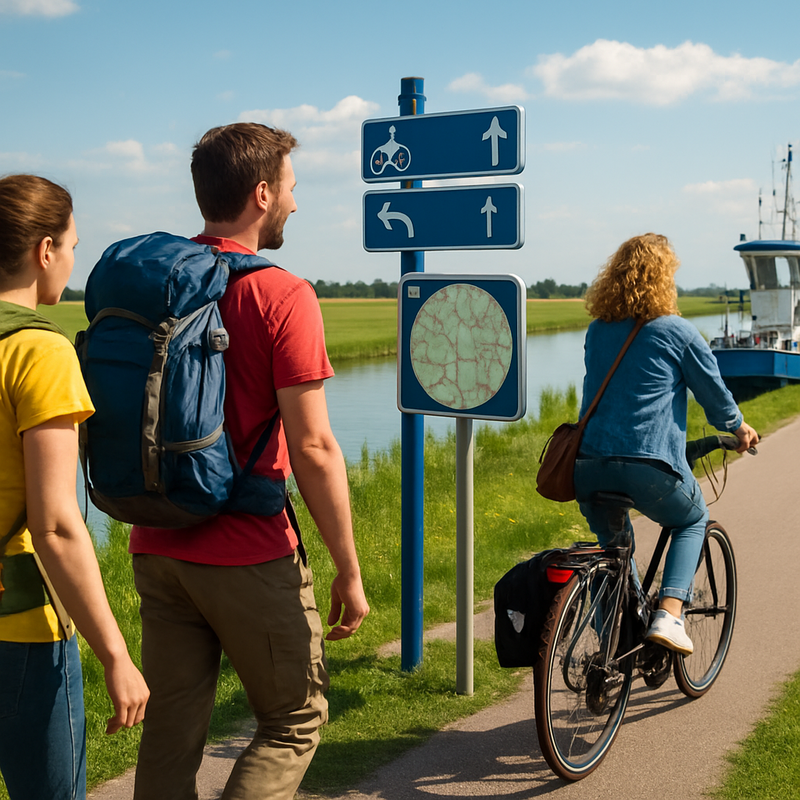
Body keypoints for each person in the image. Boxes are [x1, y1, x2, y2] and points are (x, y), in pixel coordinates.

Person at [129, 123, 370, 800]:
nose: (296, 202)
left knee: (172, 730)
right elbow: (315, 447)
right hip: (245, 548)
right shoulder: (282, 294)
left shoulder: (160, 281)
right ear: (262, 194)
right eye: (292, 188)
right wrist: (347, 570)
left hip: (155, 539)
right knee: (295, 717)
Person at [0, 174, 149, 800]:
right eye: (72, 247)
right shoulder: (39, 350)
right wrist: (116, 653)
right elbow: (57, 524)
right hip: (21, 629)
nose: (70, 262)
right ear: (43, 251)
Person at [573, 233, 758, 654]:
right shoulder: (677, 332)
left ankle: (615, 643)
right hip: (647, 465)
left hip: (587, 464)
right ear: (664, 279)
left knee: (614, 551)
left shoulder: (597, 331)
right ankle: (670, 614)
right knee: (691, 520)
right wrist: (740, 428)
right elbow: (715, 398)